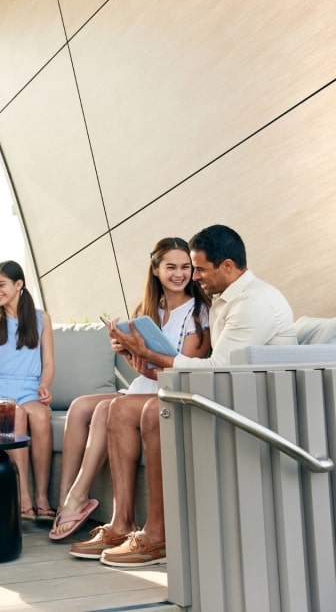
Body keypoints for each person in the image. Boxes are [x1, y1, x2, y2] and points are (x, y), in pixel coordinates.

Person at [92, 225, 296, 567]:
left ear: (227, 266)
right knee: (126, 408)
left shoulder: (252, 303)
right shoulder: (226, 299)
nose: (194, 276)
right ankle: (124, 522)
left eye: (199, 268)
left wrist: (151, 353)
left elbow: (215, 368)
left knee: (155, 411)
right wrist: (140, 354)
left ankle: (158, 536)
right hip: (231, 391)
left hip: (256, 405)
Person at [49, 237, 211, 542]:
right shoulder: (149, 310)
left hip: (168, 386)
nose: (179, 274)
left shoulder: (199, 313)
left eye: (186, 267)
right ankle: (66, 497)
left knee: (104, 409)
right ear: (156, 271)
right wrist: (126, 351)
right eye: (171, 267)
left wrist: (143, 361)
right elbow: (146, 368)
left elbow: (184, 370)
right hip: (145, 383)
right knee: (81, 405)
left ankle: (79, 496)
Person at [0, 260, 55, 522]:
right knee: (15, 414)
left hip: (30, 389)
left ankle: (42, 497)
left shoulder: (41, 318)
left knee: (41, 416)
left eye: (1, 285)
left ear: (18, 284)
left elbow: (49, 363)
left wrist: (44, 385)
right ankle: (22, 496)